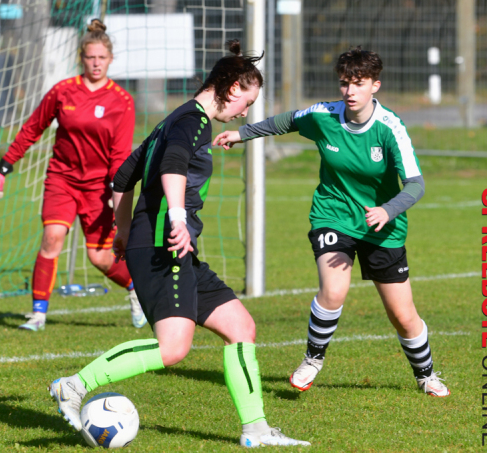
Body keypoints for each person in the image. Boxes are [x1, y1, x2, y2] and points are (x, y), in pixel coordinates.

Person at [48, 41, 310, 448]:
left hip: (167, 245)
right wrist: (176, 219)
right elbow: (172, 167)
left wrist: (122, 231)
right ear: (231, 88)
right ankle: (74, 385)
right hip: (163, 243)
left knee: (240, 326)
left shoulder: (173, 120)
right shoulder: (194, 121)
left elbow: (123, 176)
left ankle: (256, 430)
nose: (245, 112)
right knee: (172, 348)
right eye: (247, 101)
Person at [213, 46, 449, 398]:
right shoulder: (324, 115)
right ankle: (312, 359)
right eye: (344, 83)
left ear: (375, 86)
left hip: (382, 228)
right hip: (333, 215)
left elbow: (416, 184)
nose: (350, 91)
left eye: (359, 83)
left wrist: (387, 210)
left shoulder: (390, 128)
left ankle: (426, 375)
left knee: (403, 315)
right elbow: (287, 121)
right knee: (334, 290)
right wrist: (241, 133)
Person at [0, 19, 146, 332]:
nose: (95, 63)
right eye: (90, 57)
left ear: (111, 59)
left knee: (100, 258)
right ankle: (37, 315)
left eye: (101, 57)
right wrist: (3, 167)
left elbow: (120, 153)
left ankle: (136, 289)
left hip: (99, 188)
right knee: (52, 238)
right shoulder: (63, 91)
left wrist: (117, 190)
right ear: (80, 58)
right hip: (62, 180)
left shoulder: (122, 101)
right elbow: (32, 129)